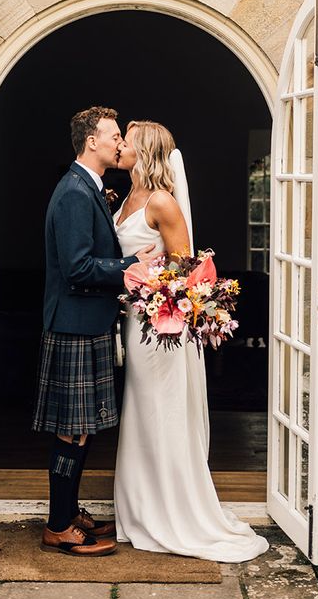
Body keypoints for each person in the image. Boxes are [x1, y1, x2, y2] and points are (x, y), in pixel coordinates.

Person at [113, 120, 270, 563]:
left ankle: (171, 511)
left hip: (157, 327)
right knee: (140, 411)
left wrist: (150, 290)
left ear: (145, 151)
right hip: (133, 320)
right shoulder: (128, 197)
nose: (121, 145)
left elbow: (183, 270)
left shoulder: (162, 201)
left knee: (161, 410)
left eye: (128, 139)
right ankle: (140, 509)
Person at [32, 107, 159, 557]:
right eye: (114, 135)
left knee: (81, 429)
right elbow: (77, 268)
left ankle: (70, 512)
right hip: (74, 326)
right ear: (91, 142)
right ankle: (58, 525)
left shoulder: (88, 188)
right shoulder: (73, 193)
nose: (120, 141)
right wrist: (131, 266)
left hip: (86, 324)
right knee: (71, 430)